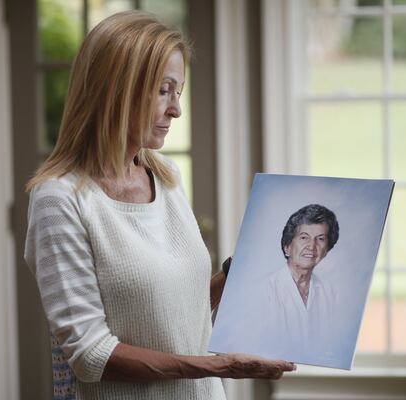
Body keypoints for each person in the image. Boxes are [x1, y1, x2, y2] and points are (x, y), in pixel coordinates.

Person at [23, 10, 295, 400]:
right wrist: (220, 366)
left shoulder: (165, 176)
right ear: (116, 88)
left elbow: (184, 308)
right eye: (164, 90)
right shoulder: (59, 201)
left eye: (179, 92)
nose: (176, 109)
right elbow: (90, 355)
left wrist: (240, 272)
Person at [260, 204, 340, 362]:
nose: (312, 246)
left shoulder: (329, 292)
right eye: (304, 237)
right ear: (287, 247)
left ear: (327, 250)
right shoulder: (264, 290)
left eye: (321, 239)